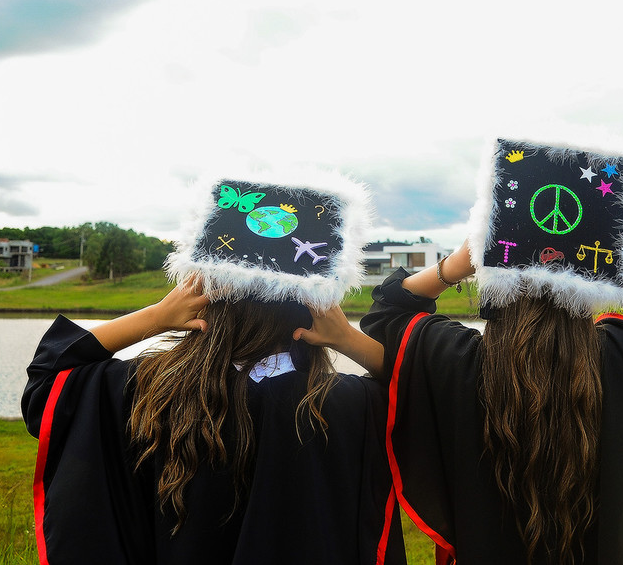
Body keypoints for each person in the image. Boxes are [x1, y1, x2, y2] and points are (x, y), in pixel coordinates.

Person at [22, 176, 404, 565]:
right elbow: (424, 390)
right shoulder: (344, 405)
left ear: (203, 299)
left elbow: (51, 378)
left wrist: (156, 317)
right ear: (314, 309)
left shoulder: (147, 389)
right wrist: (348, 340)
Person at [349, 236, 623, 565]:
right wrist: (607, 244)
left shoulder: (457, 362)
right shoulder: (622, 357)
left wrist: (457, 264)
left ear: (495, 292)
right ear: (586, 290)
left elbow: (387, 310)